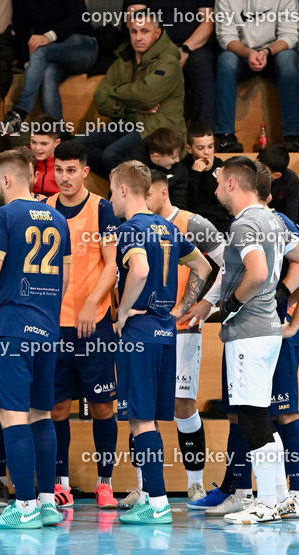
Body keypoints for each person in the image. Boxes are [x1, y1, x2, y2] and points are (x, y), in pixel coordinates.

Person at [0, 150, 71, 529]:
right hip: (48, 327)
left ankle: (23, 507)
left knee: (11, 415)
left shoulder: (4, 216)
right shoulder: (59, 218)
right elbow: (66, 279)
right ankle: (46, 503)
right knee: (41, 415)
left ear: (7, 180)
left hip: (12, 327)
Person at [210, 156, 299, 523]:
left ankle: (267, 501)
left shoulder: (244, 224)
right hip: (269, 332)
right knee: (261, 418)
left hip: (249, 334)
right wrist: (281, 299)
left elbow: (257, 272)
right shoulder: (271, 218)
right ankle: (281, 498)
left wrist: (232, 305)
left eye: (220, 181)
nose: (217, 187)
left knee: (252, 419)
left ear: (234, 184)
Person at [108, 160, 210, 524]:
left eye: (111, 192)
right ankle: (157, 498)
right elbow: (203, 268)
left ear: (123, 190)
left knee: (140, 422)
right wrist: (180, 308)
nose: (111, 200)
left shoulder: (131, 228)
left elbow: (139, 270)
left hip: (139, 335)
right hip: (166, 332)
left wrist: (122, 312)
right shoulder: (167, 227)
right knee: (150, 420)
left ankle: (156, 501)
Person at [45, 141, 121, 509]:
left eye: (71, 170)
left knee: (102, 405)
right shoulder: (43, 209)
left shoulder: (102, 209)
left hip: (95, 324)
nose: (64, 177)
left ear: (86, 171)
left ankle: (105, 482)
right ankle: (60, 484)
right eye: (59, 170)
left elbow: (113, 264)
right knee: (57, 408)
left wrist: (91, 304)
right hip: (54, 326)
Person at [145, 169, 224, 504]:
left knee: (182, 404)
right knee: (143, 408)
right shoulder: (136, 225)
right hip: (145, 328)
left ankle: (195, 483)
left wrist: (205, 303)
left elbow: (229, 264)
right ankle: (143, 486)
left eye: (145, 193)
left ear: (162, 192)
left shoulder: (193, 223)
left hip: (183, 328)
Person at [124, 0, 217, 128]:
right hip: (154, 47)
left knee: (203, 65)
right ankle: (148, 131)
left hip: (191, 48)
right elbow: (134, 19)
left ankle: (203, 134)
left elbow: (208, 23)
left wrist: (184, 50)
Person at [214, 0, 299, 153]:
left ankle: (293, 137)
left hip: (274, 54)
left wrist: (266, 52)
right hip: (242, 54)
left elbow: (290, 35)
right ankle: (226, 136)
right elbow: (225, 36)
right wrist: (249, 52)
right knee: (225, 61)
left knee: (289, 61)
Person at [7, 0, 98, 130]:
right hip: (49, 56)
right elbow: (21, 29)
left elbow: (78, 19)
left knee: (40, 50)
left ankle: (21, 111)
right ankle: (59, 134)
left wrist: (47, 37)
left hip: (82, 47)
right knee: (47, 73)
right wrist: (31, 65)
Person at [85, 9, 186, 176]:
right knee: (79, 147)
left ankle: (132, 194)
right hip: (126, 122)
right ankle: (126, 182)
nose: (138, 37)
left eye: (145, 31)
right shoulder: (123, 59)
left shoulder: (169, 61)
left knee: (110, 156)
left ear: (157, 33)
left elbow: (146, 97)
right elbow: (101, 100)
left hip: (156, 128)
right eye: (134, 31)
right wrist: (131, 108)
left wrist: (116, 91)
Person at [183, 123, 231, 232]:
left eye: (210, 147)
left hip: (218, 222)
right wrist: (195, 174)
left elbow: (220, 198)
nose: (207, 152)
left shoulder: (219, 165)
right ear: (189, 149)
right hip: (193, 223)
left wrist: (208, 172)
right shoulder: (183, 168)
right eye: (200, 148)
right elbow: (189, 202)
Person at [142, 128, 188, 210]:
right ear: (156, 156)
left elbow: (180, 202)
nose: (177, 160)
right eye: (173, 157)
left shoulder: (179, 170)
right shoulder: (135, 170)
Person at [30, 118, 61, 198]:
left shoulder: (66, 163)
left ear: (56, 143)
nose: (37, 148)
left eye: (44, 144)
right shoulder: (22, 159)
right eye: (33, 142)